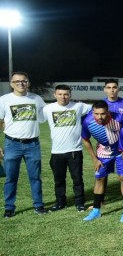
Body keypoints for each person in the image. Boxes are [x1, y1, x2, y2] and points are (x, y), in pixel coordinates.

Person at [0, 71, 48, 217]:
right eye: (17, 81)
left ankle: (38, 205)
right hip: (12, 144)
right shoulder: (4, 100)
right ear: (11, 84)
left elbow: (44, 117)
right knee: (11, 178)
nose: (21, 83)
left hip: (32, 144)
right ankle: (9, 207)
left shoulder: (36, 99)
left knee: (35, 177)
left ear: (28, 83)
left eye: (24, 81)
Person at [43, 84, 91, 212]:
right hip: (56, 151)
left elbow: (96, 109)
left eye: (66, 94)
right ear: (55, 95)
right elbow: (37, 120)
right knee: (59, 180)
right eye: (60, 94)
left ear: (70, 95)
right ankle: (60, 203)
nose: (63, 97)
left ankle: (79, 203)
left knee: (77, 179)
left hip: (74, 150)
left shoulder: (79, 106)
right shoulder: (48, 108)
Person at [81, 100, 123, 222]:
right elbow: (85, 139)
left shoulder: (120, 118)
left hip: (120, 152)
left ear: (108, 112)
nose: (99, 117)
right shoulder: (87, 122)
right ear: (92, 112)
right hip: (103, 153)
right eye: (96, 114)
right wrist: (94, 159)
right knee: (99, 178)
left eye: (103, 114)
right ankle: (96, 211)